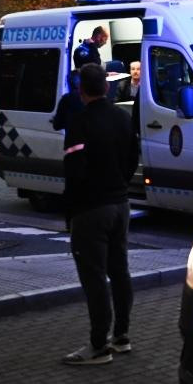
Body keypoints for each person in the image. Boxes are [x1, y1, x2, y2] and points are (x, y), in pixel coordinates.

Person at [61, 62, 140, 366]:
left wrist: (71, 211)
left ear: (81, 90)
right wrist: (119, 182)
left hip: (90, 208)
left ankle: (98, 345)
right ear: (107, 87)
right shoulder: (122, 117)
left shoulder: (79, 123)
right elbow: (133, 157)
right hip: (120, 204)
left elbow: (73, 171)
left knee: (94, 279)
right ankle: (122, 336)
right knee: (120, 271)